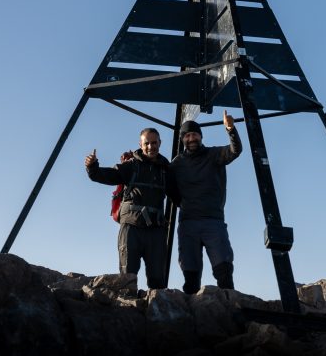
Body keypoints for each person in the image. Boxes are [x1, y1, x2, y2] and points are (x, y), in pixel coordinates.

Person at [84, 128, 170, 289]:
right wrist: (92, 167)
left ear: (160, 143)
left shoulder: (166, 169)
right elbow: (105, 175)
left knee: (158, 280)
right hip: (131, 229)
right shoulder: (131, 166)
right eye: (147, 143)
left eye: (154, 143)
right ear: (140, 144)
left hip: (156, 230)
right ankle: (129, 312)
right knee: (127, 278)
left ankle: (156, 310)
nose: (151, 147)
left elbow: (179, 194)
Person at [170, 110, 242, 294]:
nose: (191, 138)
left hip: (213, 221)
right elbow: (169, 190)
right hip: (188, 223)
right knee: (190, 277)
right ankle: (193, 316)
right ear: (183, 140)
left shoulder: (214, 154)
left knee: (223, 270)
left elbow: (235, 151)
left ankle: (230, 313)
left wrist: (230, 129)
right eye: (187, 135)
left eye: (194, 134)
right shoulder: (176, 164)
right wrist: (184, 204)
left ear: (200, 136)